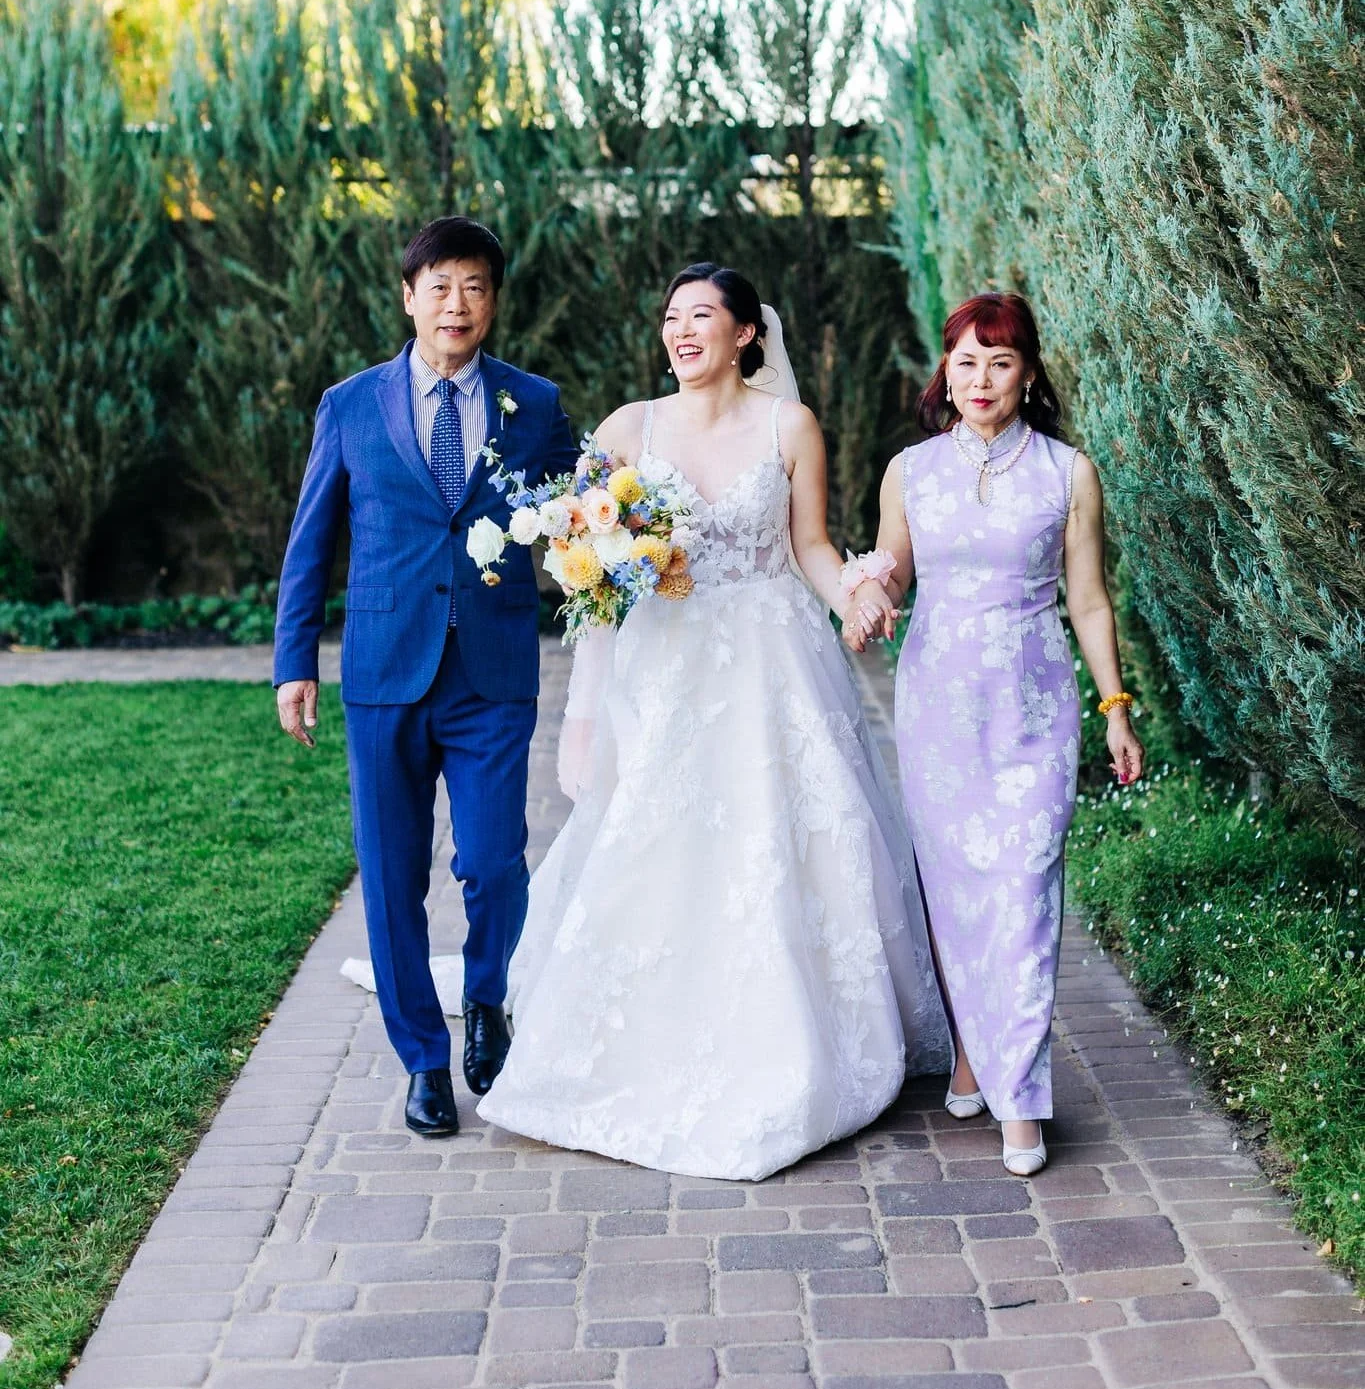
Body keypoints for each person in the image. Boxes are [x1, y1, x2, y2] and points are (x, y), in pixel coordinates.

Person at [477, 262, 949, 1180]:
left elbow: (809, 545)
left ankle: (791, 1034)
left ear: (745, 335)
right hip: (664, 666)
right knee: (656, 837)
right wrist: (590, 582)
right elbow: (585, 554)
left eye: (701, 316)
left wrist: (849, 597)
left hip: (771, 661)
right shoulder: (625, 428)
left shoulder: (789, 425)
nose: (681, 331)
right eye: (670, 317)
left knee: (777, 841)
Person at [272, 216, 578, 1139]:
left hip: (491, 672)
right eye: (439, 286)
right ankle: (422, 1060)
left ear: (493, 301)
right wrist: (295, 663)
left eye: (475, 287)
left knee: (492, 863)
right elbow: (311, 540)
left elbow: (572, 522)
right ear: (409, 297)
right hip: (382, 670)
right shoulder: (351, 404)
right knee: (392, 874)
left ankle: (486, 998)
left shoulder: (536, 403)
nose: (457, 304)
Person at [845, 292, 1144, 1177]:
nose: (980, 379)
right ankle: (975, 1055)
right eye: (967, 361)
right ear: (947, 370)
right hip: (936, 702)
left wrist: (1114, 705)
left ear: (1028, 375)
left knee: (1022, 891)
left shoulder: (1066, 473)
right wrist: (868, 596)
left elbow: (1088, 600)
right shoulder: (911, 470)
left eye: (1000, 362)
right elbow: (888, 568)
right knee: (953, 887)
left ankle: (1019, 1098)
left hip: (1034, 706)